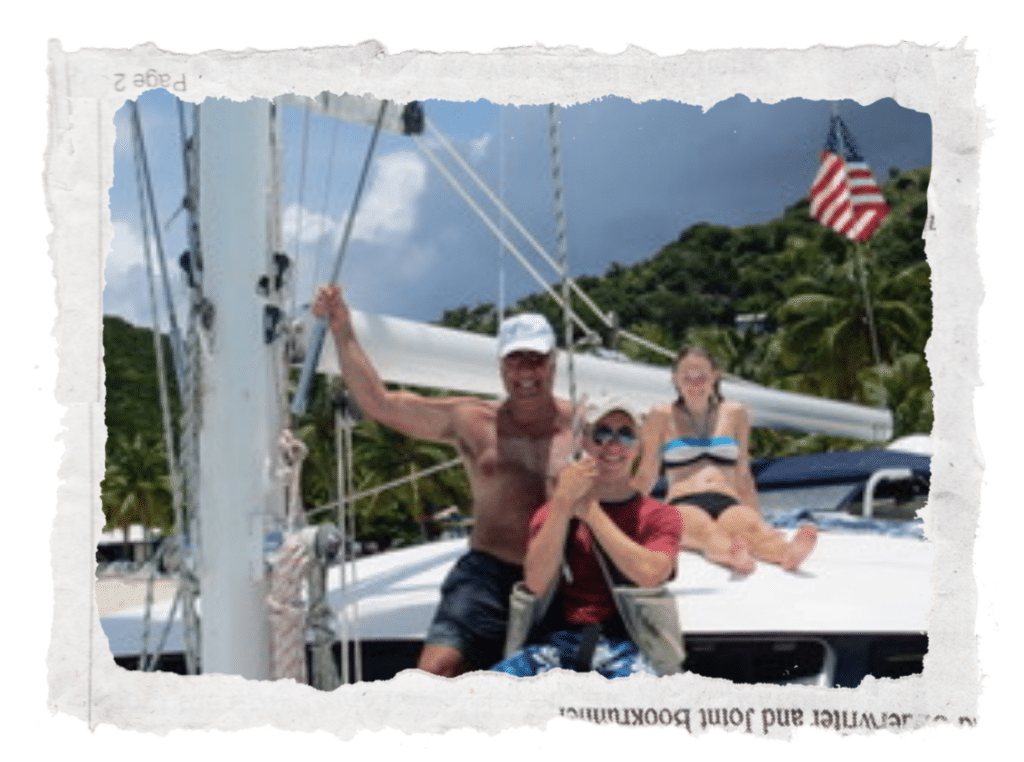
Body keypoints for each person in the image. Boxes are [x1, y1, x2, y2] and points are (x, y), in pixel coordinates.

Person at [313, 285, 576, 676]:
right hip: (487, 575)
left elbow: (640, 475)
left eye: (535, 359)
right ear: (501, 368)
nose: (524, 372)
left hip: (562, 577)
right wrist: (342, 328)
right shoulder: (473, 421)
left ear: (553, 363)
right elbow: (381, 404)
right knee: (433, 677)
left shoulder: (584, 426)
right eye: (514, 360)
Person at [490, 395, 683, 677]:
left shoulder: (660, 515)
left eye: (626, 435)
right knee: (485, 699)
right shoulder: (551, 512)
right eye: (602, 433)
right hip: (554, 645)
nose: (613, 445)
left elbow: (651, 574)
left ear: (638, 447)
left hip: (632, 646)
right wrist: (561, 506)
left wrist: (590, 512)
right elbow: (535, 583)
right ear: (584, 442)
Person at [634, 346, 817, 573]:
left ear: (715, 376)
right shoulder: (661, 415)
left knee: (751, 528)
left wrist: (759, 519)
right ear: (675, 379)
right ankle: (732, 555)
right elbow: (646, 473)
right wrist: (625, 515)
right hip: (682, 501)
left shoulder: (735, 413)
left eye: (701, 376)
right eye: (686, 377)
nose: (694, 383)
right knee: (704, 531)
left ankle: (787, 552)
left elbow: (743, 474)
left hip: (727, 498)